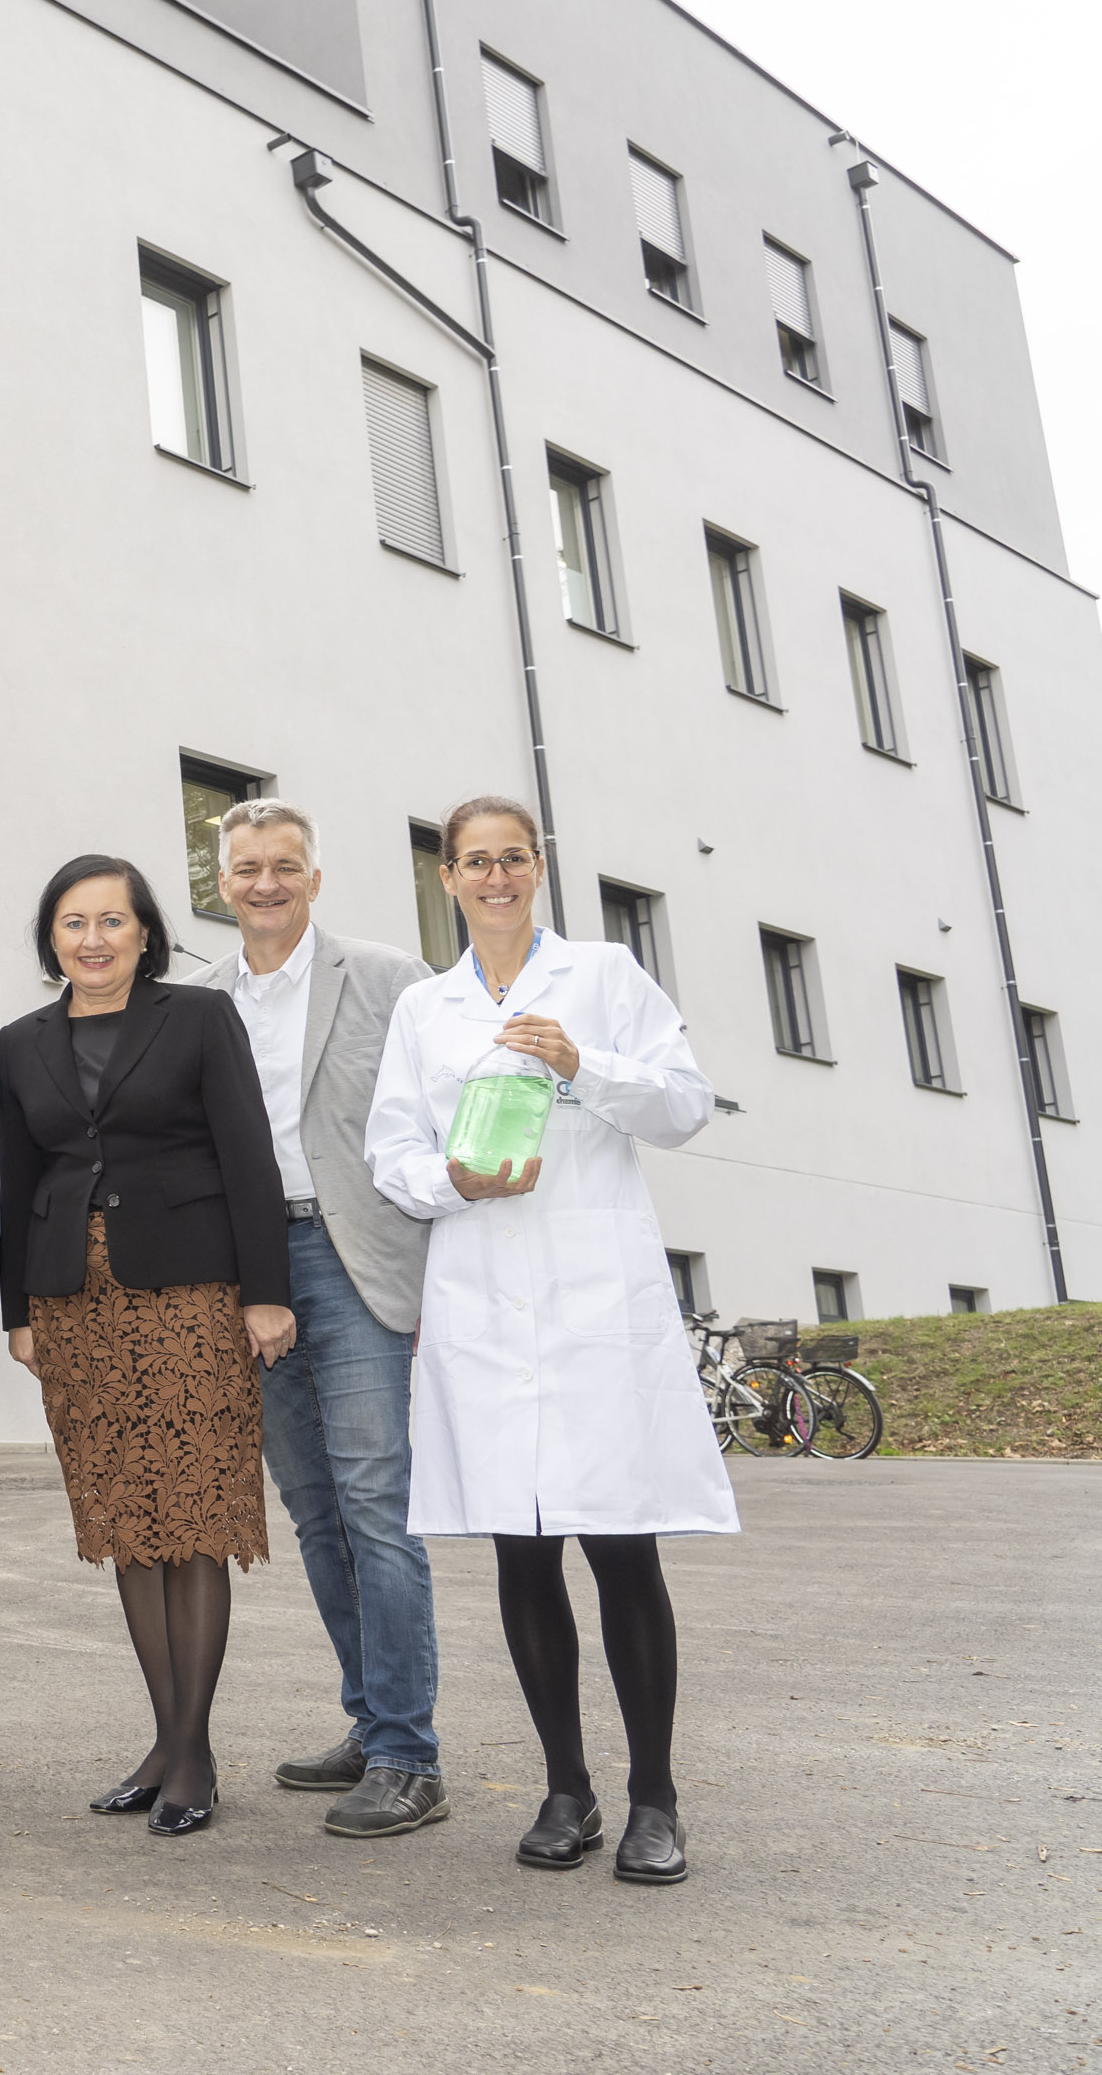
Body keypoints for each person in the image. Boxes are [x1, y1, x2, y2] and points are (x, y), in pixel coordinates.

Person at [366, 793, 731, 1888]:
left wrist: (582, 1062)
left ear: (540, 864)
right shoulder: (426, 1008)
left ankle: (654, 1799)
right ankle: (565, 1786)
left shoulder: (607, 977)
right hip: (481, 1291)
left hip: (591, 1296)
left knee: (622, 1545)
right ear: (446, 877)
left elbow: (685, 1103)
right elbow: (393, 1148)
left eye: (512, 858)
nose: (495, 877)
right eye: (474, 861)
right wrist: (450, 1180)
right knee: (521, 1549)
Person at [0, 855, 293, 1839]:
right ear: (51, 938)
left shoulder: (198, 1017)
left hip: (192, 1292)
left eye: (111, 921)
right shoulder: (22, 1041)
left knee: (194, 1508)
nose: (92, 938)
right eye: (73, 922)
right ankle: (166, 1741)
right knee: (130, 1514)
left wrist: (265, 1293)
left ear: (144, 932)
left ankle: (194, 1747)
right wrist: (21, 1308)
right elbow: (22, 1177)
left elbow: (247, 1151)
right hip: (77, 1299)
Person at [177, 801, 447, 1839]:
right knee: (315, 1506)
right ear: (222, 883)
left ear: (315, 879)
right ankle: (370, 1716)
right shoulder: (197, 1000)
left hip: (354, 1258)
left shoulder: (387, 980)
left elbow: (438, 1110)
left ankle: (409, 1752)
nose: (265, 883)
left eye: (285, 866)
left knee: (378, 1496)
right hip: (247, 1268)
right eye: (246, 867)